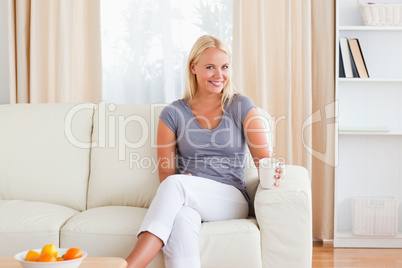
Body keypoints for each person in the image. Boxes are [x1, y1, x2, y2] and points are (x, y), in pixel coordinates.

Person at [125, 35, 280, 268]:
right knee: (181, 216)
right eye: (210, 67)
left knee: (176, 185)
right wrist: (183, 183)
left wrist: (274, 172)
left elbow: (264, 162)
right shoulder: (173, 113)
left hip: (231, 198)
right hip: (188, 197)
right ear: (193, 67)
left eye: (224, 67)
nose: (219, 75)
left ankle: (129, 265)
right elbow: (165, 175)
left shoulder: (241, 105)